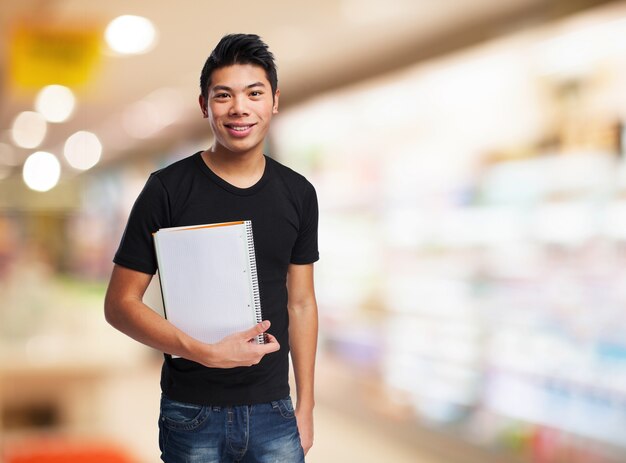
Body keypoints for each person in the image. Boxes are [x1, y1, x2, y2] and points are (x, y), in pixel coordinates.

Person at [104, 33, 319, 463]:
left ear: (273, 101)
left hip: (274, 408)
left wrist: (306, 405)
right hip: (192, 412)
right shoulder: (167, 189)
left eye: (254, 93)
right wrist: (203, 352)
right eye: (224, 95)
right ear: (204, 105)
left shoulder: (299, 193)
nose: (239, 108)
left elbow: (301, 303)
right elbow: (119, 304)